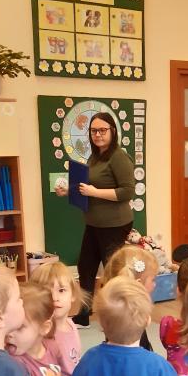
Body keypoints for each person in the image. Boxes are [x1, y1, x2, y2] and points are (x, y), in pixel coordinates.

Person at [54, 111, 135, 328]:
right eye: (93, 131)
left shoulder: (119, 157)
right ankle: (83, 314)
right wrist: (69, 191)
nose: (97, 134)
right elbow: (87, 187)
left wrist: (95, 192)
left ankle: (122, 316)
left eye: (102, 130)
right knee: (86, 267)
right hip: (94, 222)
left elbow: (127, 191)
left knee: (112, 272)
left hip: (115, 224)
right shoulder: (95, 156)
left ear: (113, 131)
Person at [101, 244, 158, 350]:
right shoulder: (135, 319)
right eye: (153, 279)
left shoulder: (112, 309)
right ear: (139, 284)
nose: (154, 284)